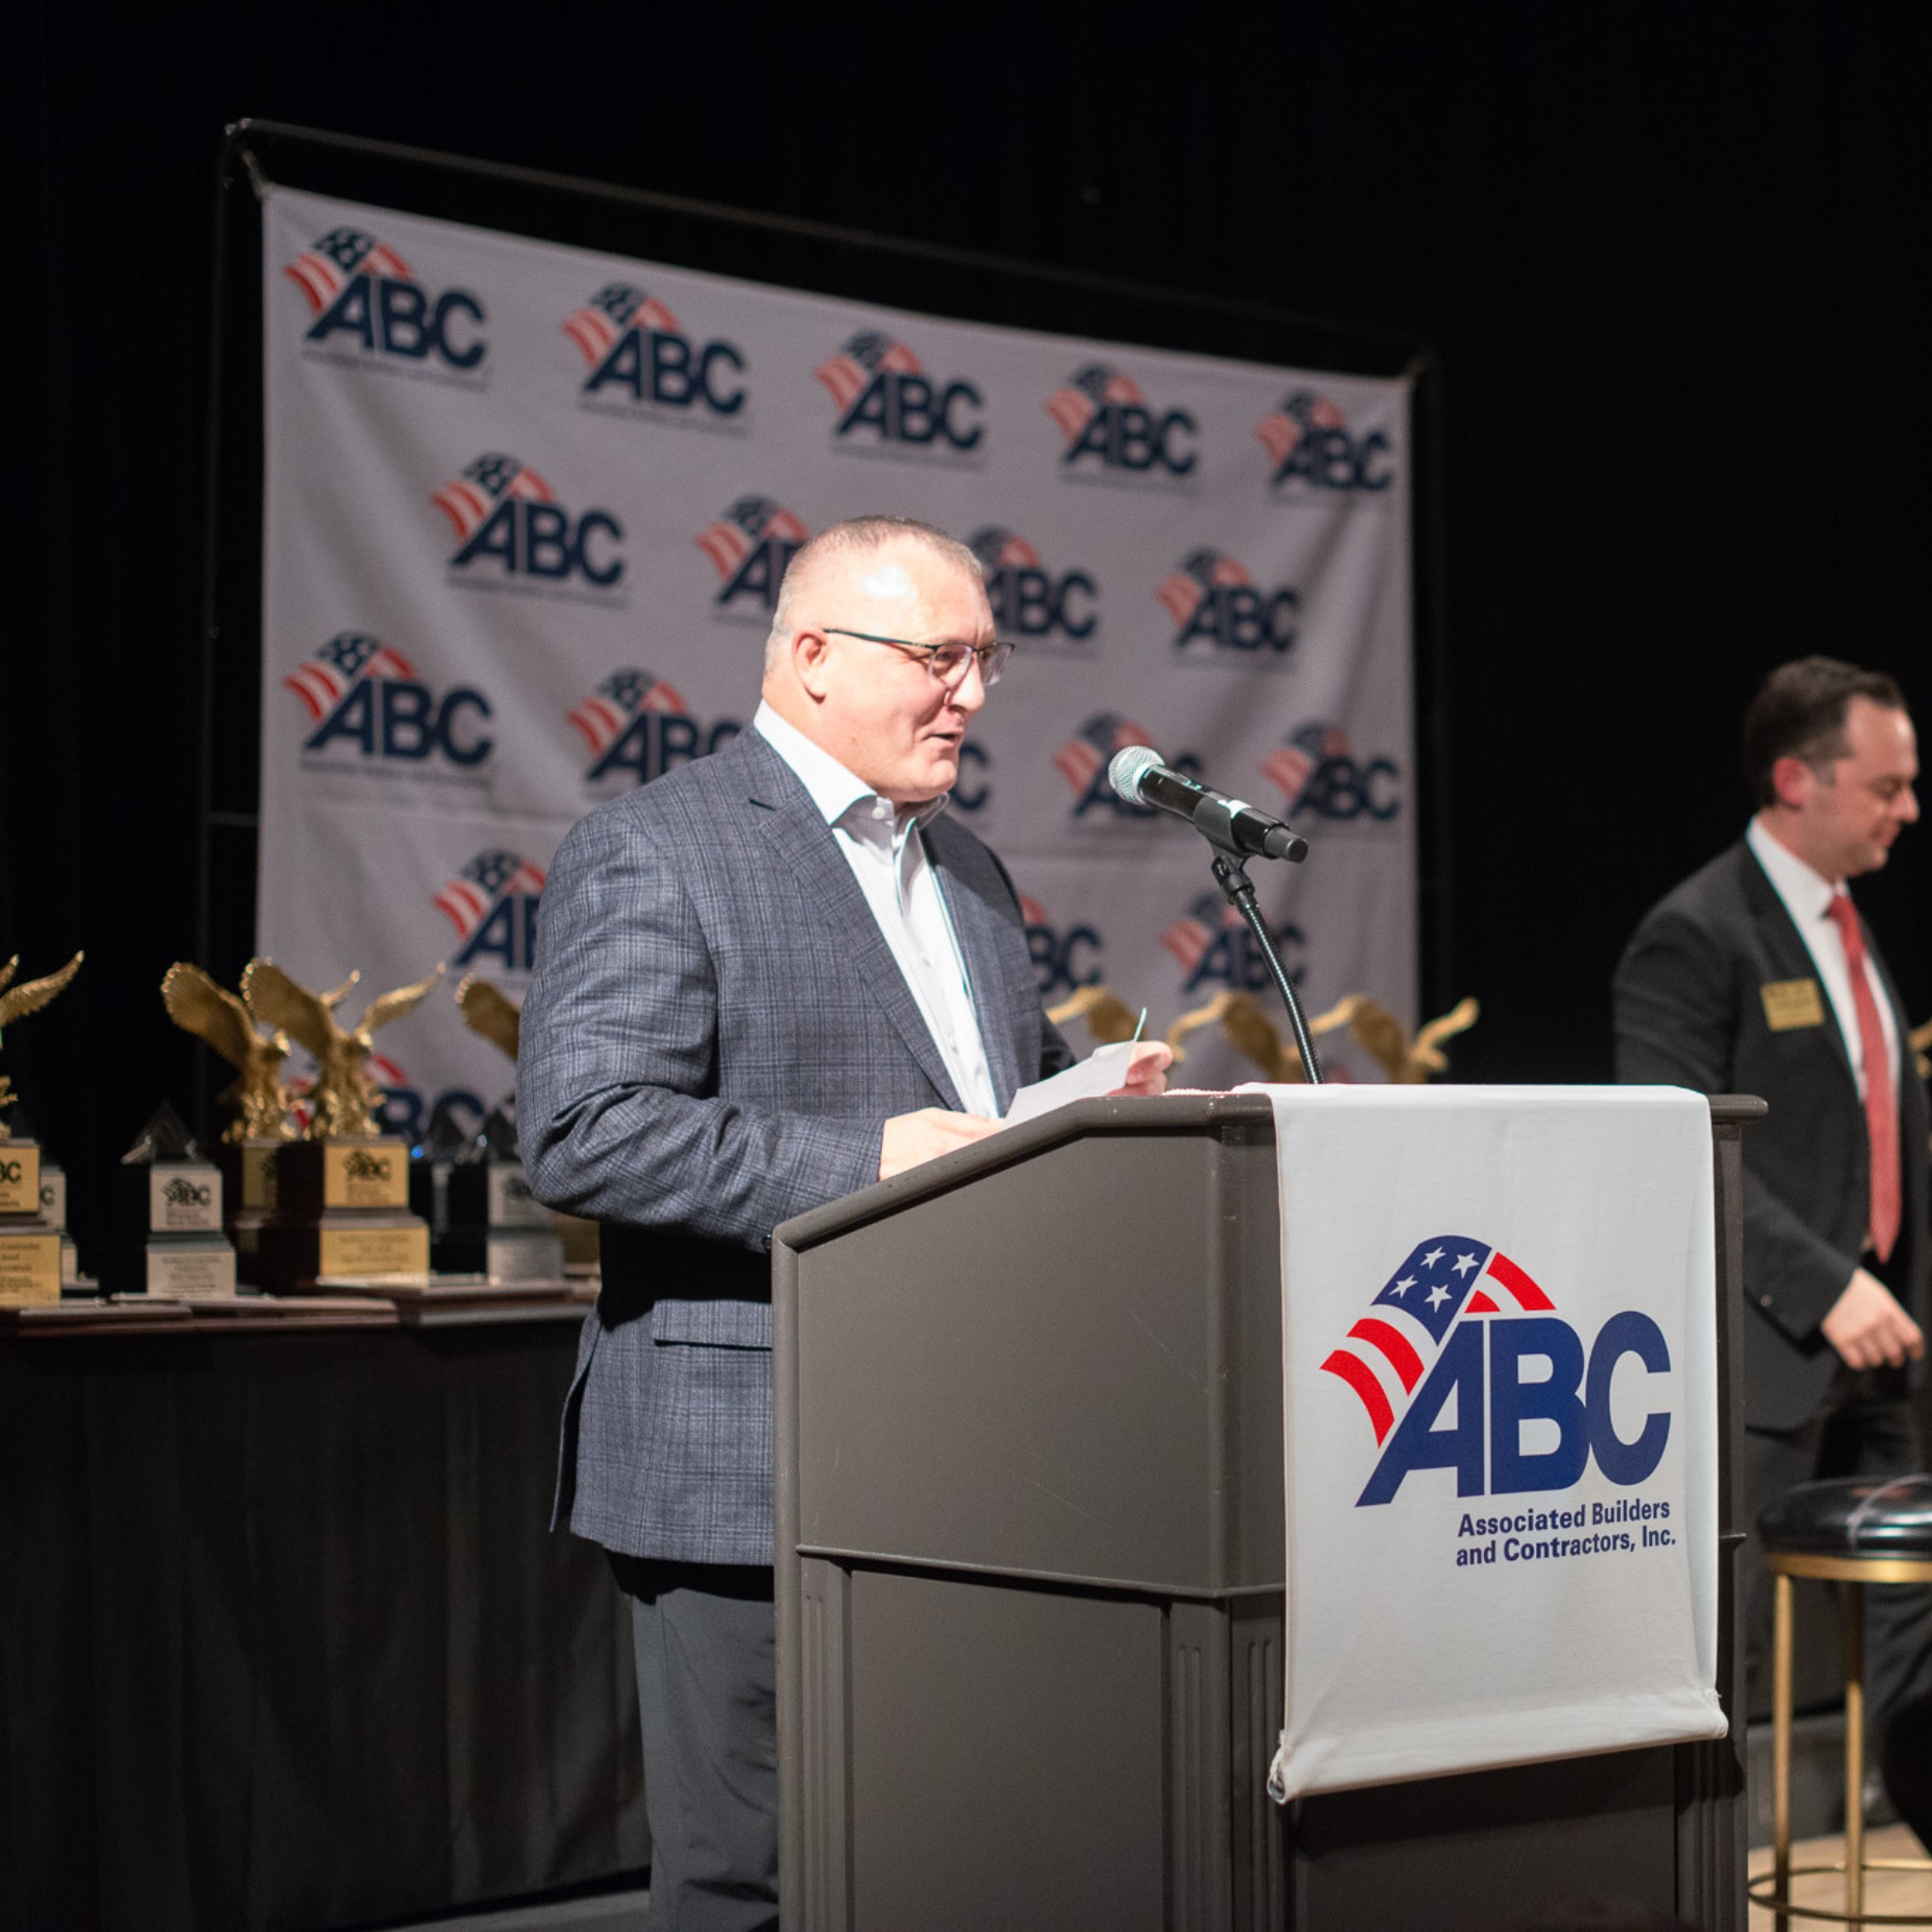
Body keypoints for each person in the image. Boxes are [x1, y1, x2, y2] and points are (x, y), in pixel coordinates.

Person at [518, 515, 1170, 1930]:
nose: (974, 695)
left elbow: (976, 1121)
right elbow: (581, 1128)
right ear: (811, 657)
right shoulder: (659, 847)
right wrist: (862, 1163)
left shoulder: (977, 876)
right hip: (745, 1454)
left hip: (969, 1450)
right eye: (940, 656)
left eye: (987, 660)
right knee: (750, 1883)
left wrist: (1088, 1105)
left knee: (940, 1853)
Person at [1612, 656, 1932, 1775]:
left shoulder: (1845, 924)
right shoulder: (1694, 932)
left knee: (1912, 1632)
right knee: (1726, 1645)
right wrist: (1825, 1284)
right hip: (1758, 1350)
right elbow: (1678, 1141)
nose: (1906, 807)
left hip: (1880, 1343)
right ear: (1795, 778)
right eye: (1885, 785)